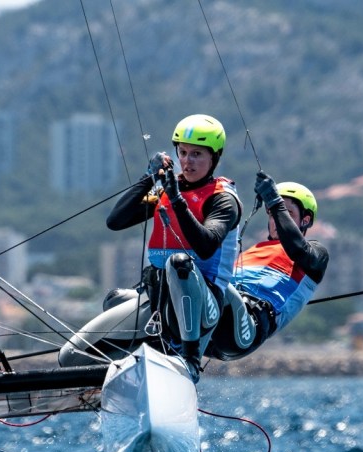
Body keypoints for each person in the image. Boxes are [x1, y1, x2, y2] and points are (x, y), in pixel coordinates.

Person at [57, 114, 242, 381]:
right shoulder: (167, 191)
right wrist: (148, 177)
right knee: (71, 357)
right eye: (183, 153)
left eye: (197, 154)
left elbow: (206, 245)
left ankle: (189, 360)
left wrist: (177, 201)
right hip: (158, 301)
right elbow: (115, 221)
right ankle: (123, 380)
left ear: (214, 157)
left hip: (202, 306)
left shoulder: (223, 200)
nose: (187, 161)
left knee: (180, 264)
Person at [206, 172, 329, 361]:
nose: (276, 219)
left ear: (305, 220)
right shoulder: (251, 251)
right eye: (273, 214)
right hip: (213, 317)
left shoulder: (316, 253)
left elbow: (298, 250)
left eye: (288, 213)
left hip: (246, 326)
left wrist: (274, 201)